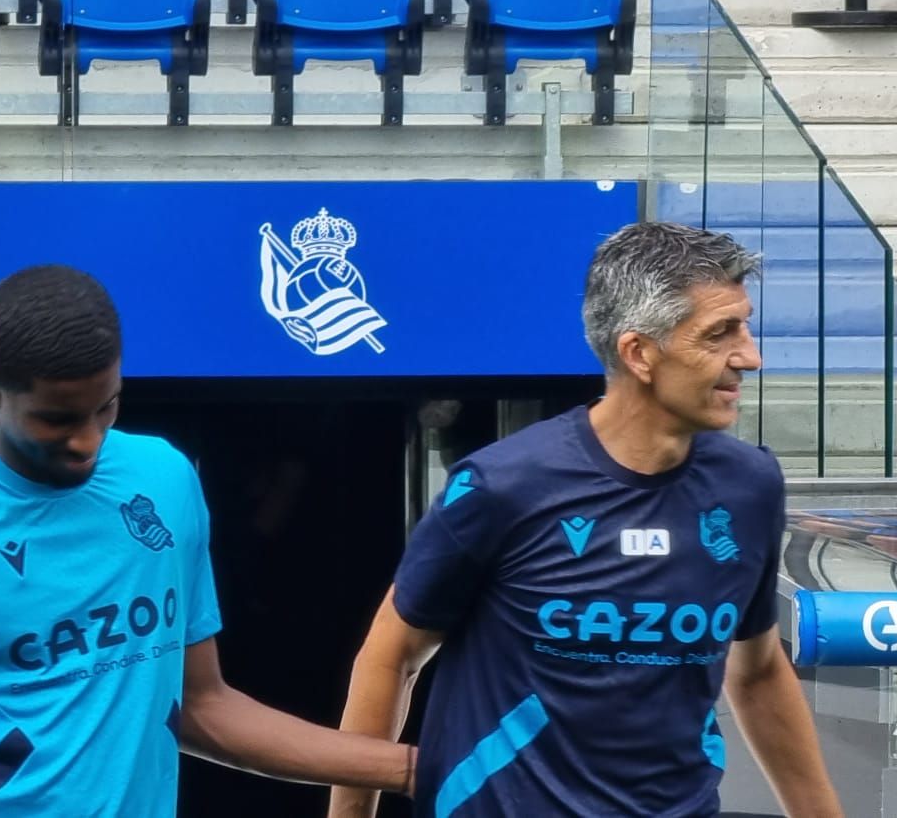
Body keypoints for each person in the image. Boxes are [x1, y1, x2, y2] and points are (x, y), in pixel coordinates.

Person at [0, 265, 415, 817]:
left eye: (105, 407)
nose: (86, 441)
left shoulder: (164, 478)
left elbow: (202, 707)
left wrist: (415, 765)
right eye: (56, 419)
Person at [326, 222, 842, 817]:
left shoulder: (750, 484)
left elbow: (754, 673)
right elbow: (391, 657)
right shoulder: (502, 485)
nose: (750, 356)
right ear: (639, 353)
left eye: (745, 326)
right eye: (719, 334)